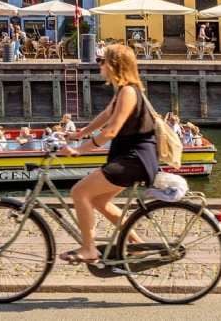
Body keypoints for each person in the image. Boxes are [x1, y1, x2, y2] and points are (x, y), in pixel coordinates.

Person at [59, 44, 157, 264]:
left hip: (134, 159)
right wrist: (80, 133)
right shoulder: (123, 90)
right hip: (129, 158)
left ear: (113, 65)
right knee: (100, 201)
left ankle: (88, 249)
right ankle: (137, 246)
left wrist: (79, 151)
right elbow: (106, 115)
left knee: (79, 193)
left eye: (102, 61)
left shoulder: (129, 92)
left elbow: (111, 130)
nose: (99, 65)